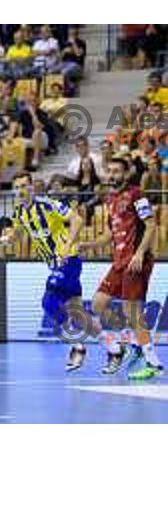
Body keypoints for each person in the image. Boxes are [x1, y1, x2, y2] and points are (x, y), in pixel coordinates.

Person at [0, 171, 127, 372]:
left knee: (48, 301)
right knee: (79, 317)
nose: (21, 191)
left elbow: (77, 220)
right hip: (55, 265)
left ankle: (77, 347)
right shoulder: (20, 212)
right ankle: (115, 349)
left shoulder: (46, 204)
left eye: (24, 186)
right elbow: (15, 237)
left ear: (32, 187)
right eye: (17, 187)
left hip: (68, 260)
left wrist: (67, 245)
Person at [80, 158, 163, 380]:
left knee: (133, 314)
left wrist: (139, 253)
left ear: (126, 174)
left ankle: (153, 363)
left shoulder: (137, 194)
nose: (112, 175)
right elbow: (109, 235)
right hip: (118, 261)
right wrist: (89, 245)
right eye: (110, 171)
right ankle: (129, 343)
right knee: (98, 303)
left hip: (136, 260)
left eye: (117, 171)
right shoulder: (111, 199)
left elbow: (151, 225)